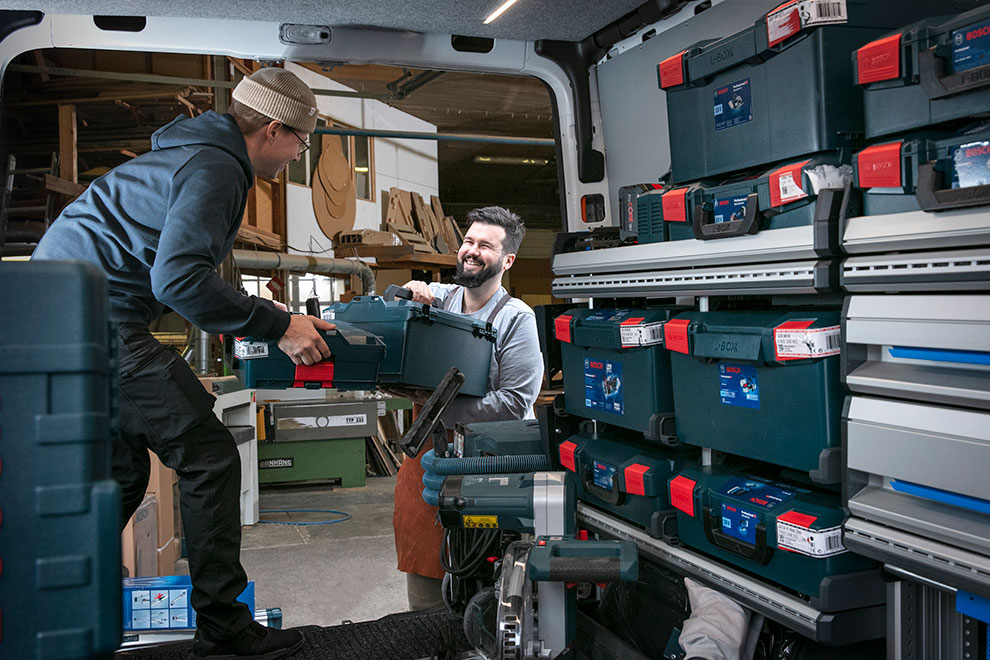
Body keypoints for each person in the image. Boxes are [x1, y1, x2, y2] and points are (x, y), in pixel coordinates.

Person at [32, 67, 330, 659]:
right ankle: (222, 630)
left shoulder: (191, 155)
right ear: (273, 130)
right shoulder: (217, 167)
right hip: (93, 319)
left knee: (121, 474)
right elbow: (177, 280)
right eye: (300, 143)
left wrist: (261, 313)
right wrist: (279, 324)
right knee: (210, 457)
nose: (296, 158)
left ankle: (50, 612)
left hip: (58, 316)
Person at [392, 206, 544, 610]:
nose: (471, 251)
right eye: (468, 241)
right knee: (425, 586)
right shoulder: (439, 300)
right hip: (426, 459)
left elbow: (514, 402)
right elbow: (402, 300)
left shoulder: (516, 319)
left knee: (489, 582)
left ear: (507, 260)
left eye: (485, 246)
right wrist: (410, 290)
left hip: (492, 463)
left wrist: (437, 410)